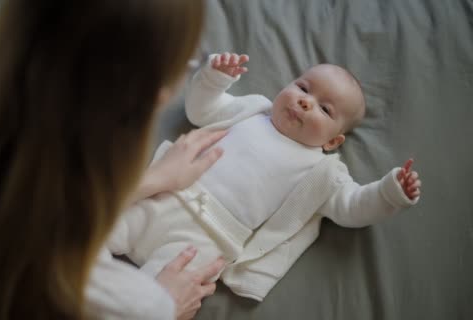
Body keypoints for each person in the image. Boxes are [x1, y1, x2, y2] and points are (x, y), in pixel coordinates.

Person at [0, 1, 227, 319]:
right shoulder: (126, 302)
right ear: (156, 93)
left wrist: (152, 181)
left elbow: (29, 197)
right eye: (188, 60)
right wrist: (165, 303)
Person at [106, 52, 422, 301]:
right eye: (303, 87)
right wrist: (213, 80)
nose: (305, 101)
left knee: (158, 291)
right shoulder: (253, 109)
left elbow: (353, 207)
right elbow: (201, 112)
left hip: (208, 239)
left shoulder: (324, 171)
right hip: (168, 195)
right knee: (97, 232)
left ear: (332, 142)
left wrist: (388, 193)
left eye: (325, 110)